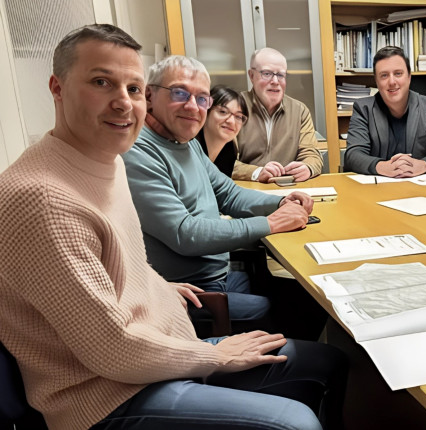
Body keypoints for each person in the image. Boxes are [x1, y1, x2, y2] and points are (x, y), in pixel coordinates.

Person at [0, 23, 345, 430]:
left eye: (131, 88)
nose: (123, 103)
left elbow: (120, 262)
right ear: (57, 88)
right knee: (296, 421)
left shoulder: (105, 161)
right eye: (101, 82)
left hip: (161, 347)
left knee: (329, 362)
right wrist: (216, 356)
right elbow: (111, 349)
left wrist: (157, 285)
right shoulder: (43, 198)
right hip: (104, 394)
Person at [122, 55, 314, 323]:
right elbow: (184, 233)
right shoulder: (139, 151)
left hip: (218, 275)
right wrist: (270, 224)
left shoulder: (185, 142)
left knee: (308, 294)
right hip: (188, 293)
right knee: (302, 311)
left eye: (202, 99)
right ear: (149, 96)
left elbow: (228, 193)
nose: (193, 106)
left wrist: (280, 203)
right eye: (180, 93)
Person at [343, 46, 426, 177]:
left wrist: (423, 165)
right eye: (384, 75)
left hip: (419, 189)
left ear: (409, 77)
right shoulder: (363, 108)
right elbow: (353, 155)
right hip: (377, 190)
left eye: (398, 74)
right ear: (376, 81)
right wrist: (382, 167)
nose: (392, 81)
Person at [234, 47, 324, 183]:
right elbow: (221, 162)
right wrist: (256, 172)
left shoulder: (300, 111)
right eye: (267, 73)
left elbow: (312, 154)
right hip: (245, 190)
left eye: (281, 75)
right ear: (251, 75)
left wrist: (308, 167)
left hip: (288, 189)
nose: (275, 81)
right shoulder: (233, 108)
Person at [197, 85, 248, 177]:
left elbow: (222, 188)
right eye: (223, 112)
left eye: (238, 116)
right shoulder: (190, 146)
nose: (231, 121)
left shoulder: (229, 149)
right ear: (206, 112)